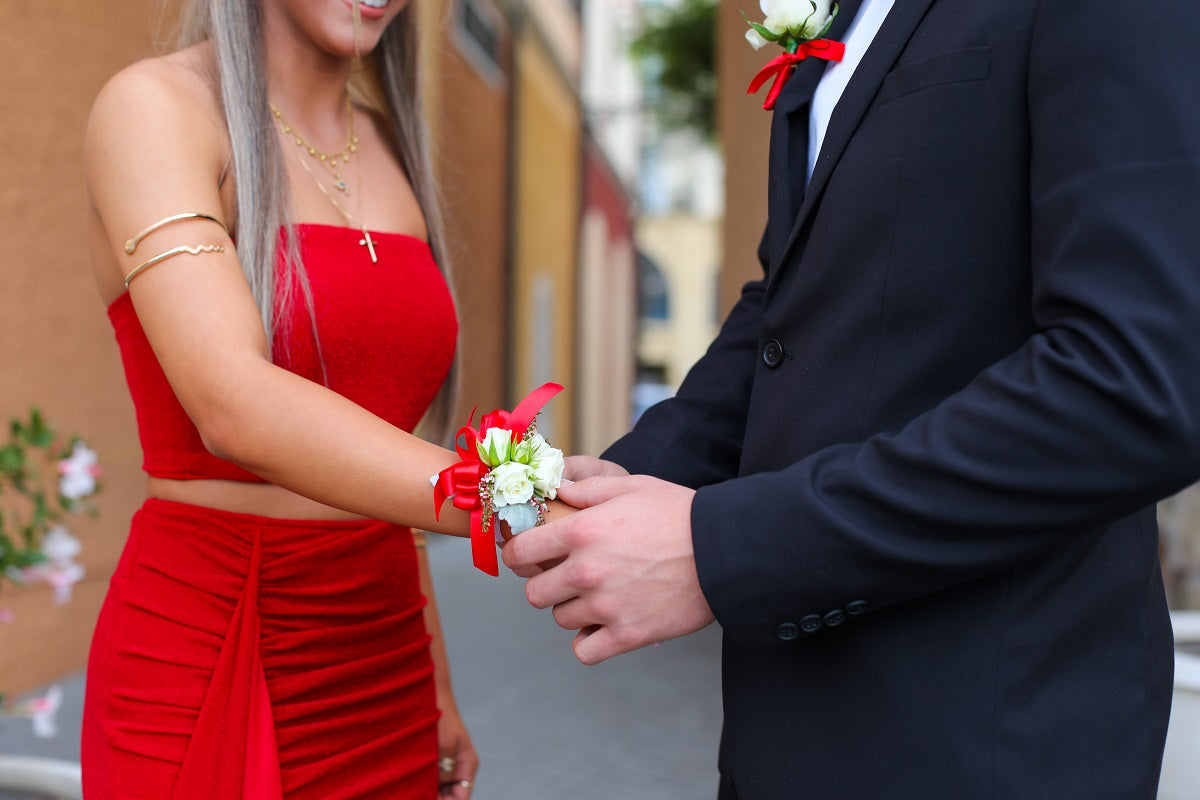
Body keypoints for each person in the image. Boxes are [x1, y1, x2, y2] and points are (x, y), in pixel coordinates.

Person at [504, 0, 1200, 797]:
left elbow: (1136, 383)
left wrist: (719, 550)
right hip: (789, 733)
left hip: (986, 742)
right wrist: (623, 484)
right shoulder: (848, 14)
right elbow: (793, 307)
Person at [81, 1, 535, 797]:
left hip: (384, 659)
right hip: (217, 643)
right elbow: (233, 405)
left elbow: (380, 441)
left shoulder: (392, 145)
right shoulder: (156, 107)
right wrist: (519, 503)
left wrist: (435, 679)